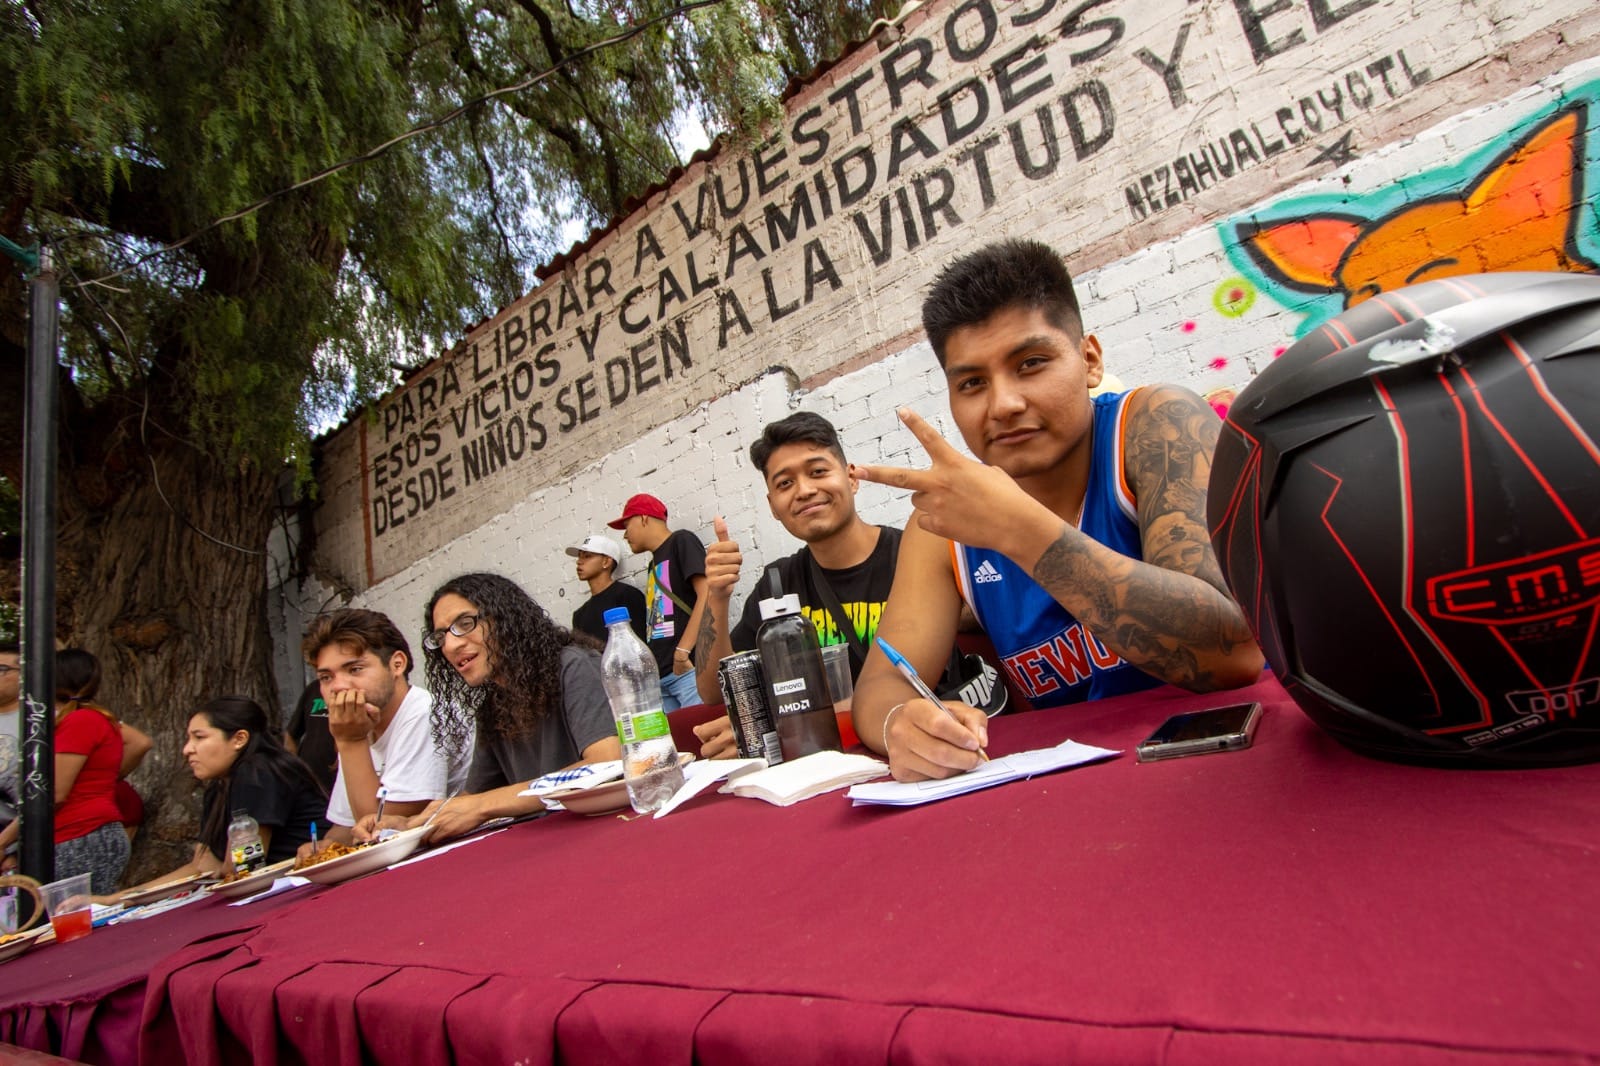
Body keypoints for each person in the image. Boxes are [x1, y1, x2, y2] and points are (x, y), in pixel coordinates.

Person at [850, 239, 1264, 781]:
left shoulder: (1155, 426)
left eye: (1032, 363)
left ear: (1089, 360)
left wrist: (1021, 529)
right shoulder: (943, 527)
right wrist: (902, 724)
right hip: (1081, 788)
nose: (1003, 404)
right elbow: (881, 686)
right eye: (972, 383)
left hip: (1241, 762)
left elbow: (1233, 654)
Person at [690, 412, 903, 757]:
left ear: (851, 478)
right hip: (822, 769)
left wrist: (784, 722)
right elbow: (712, 691)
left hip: (910, 748)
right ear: (773, 506)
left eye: (818, 472)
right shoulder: (777, 584)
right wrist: (717, 595)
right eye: (784, 484)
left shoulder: (910, 556)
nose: (804, 491)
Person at [359, 572, 620, 843]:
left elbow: (604, 764)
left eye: (465, 623)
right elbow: (472, 798)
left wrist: (483, 806)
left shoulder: (573, 665)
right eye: (440, 636)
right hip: (548, 842)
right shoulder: (492, 704)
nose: (451, 645)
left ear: (507, 618)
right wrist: (411, 825)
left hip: (603, 833)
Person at [300, 609, 468, 854]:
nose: (338, 687)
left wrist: (350, 741)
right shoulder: (359, 724)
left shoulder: (425, 712)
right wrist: (325, 848)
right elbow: (345, 826)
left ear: (396, 664)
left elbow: (380, 832)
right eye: (326, 677)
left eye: (355, 669)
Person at [121, 696, 326, 892]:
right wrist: (122, 898)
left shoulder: (257, 773)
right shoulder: (219, 786)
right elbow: (201, 865)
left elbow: (243, 867)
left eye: (199, 737)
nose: (186, 749)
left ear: (239, 739)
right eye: (189, 738)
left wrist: (221, 868)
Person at [0, 649, 127, 891]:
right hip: (72, 834)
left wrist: (5, 840)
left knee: (70, 917)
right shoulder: (80, 719)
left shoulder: (81, 721)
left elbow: (53, 793)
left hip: (81, 833)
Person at [608, 494, 708, 709]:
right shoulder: (653, 564)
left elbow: (707, 594)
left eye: (627, 525)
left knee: (705, 734)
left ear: (644, 518)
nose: (625, 535)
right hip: (662, 676)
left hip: (688, 669)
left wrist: (683, 652)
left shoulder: (681, 541)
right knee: (678, 741)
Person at [566, 534, 647, 643]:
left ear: (606, 562)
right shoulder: (579, 615)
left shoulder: (627, 596)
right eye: (579, 556)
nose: (579, 561)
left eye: (587, 556)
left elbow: (640, 645)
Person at [284, 678, 337, 793]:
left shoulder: (360, 690)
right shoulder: (314, 688)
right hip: (309, 778)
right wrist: (293, 768)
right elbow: (292, 734)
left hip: (342, 780)